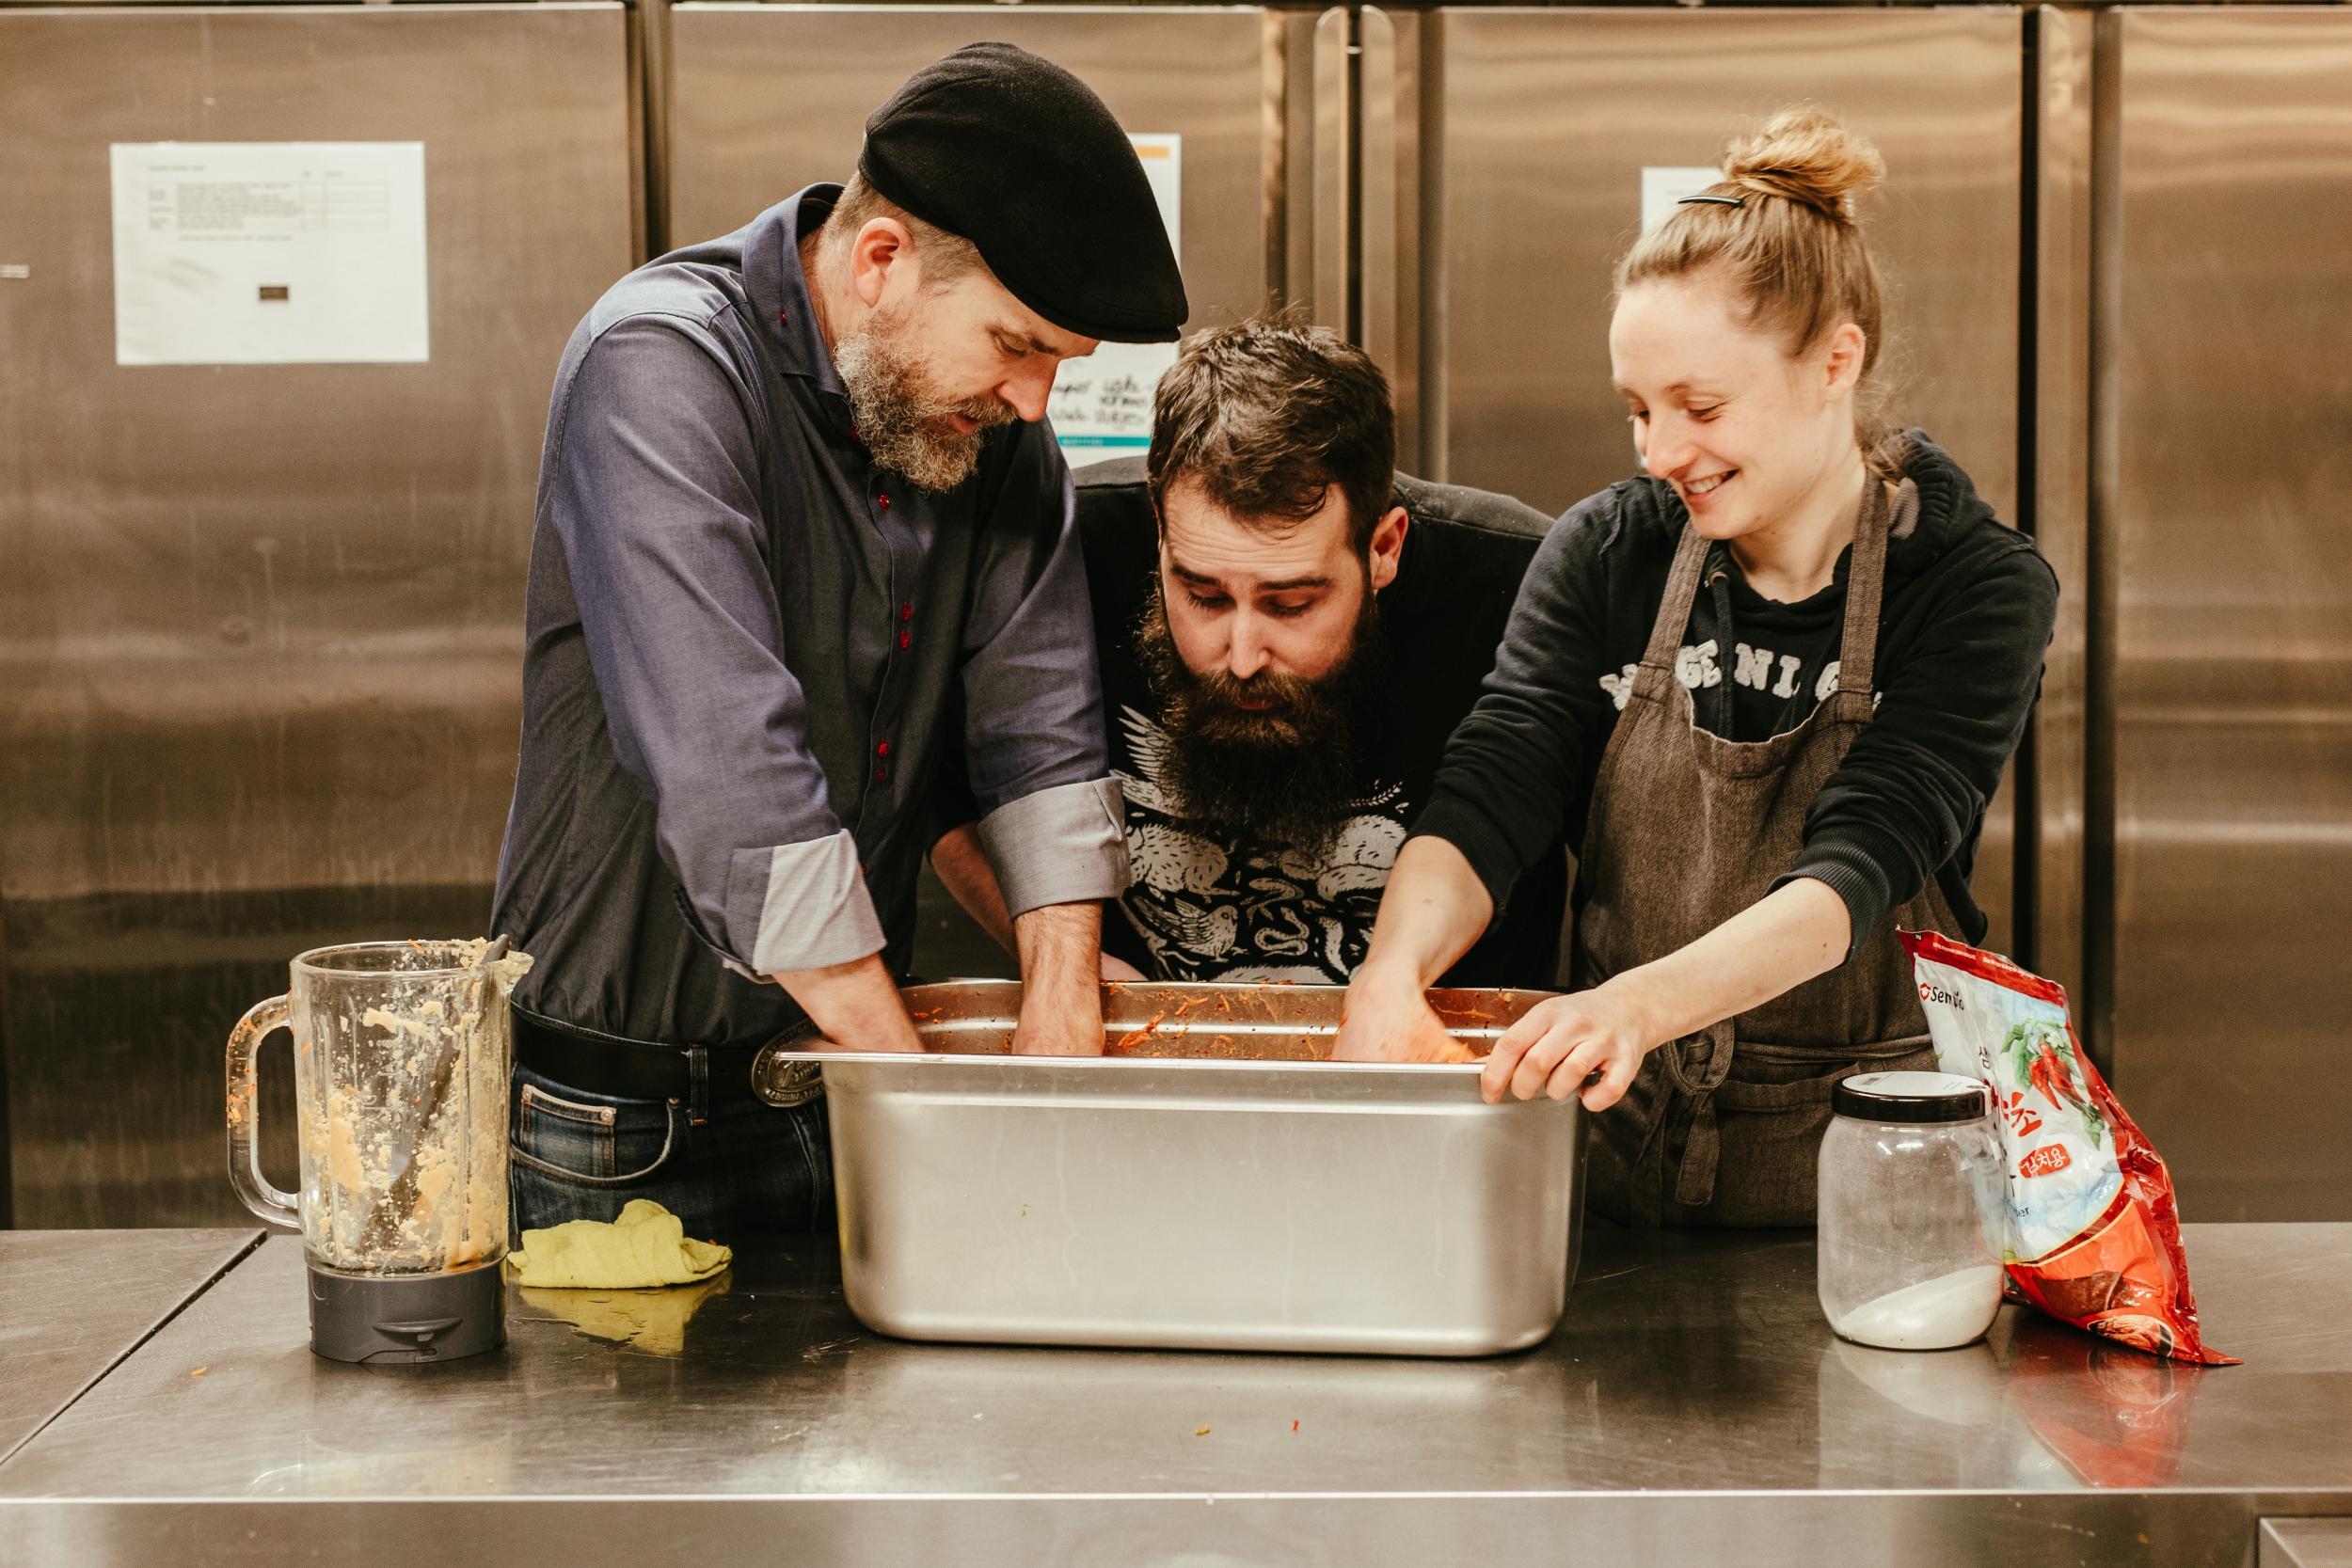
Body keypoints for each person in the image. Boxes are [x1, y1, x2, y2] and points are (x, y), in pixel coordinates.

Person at [489, 44, 1187, 1240]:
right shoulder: (661, 368)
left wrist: (1059, 1024)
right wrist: (933, 1123)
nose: (1035, 403)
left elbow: (1039, 729)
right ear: (881, 262)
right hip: (613, 1126)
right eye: (1018, 343)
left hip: (846, 1084)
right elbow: (736, 791)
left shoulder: (989, 429)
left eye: (1058, 367)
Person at [1333, 108, 2059, 1228]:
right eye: (1637, 409)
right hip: (1607, 1171)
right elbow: (1496, 784)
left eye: (1701, 408)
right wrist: (1391, 974)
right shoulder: (1610, 551)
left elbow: (1854, 870)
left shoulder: (1968, 583)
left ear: (1835, 360)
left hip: (1868, 1187)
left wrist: (1632, 1005)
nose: (1659, 452)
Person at [928, 319, 1565, 985]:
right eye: (1203, 595)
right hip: (1141, 1059)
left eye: (1291, 604)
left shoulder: (1521, 587)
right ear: (1160, 532)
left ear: (1384, 549)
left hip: (1442, 1066)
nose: (1240, 656)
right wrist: (1070, 965)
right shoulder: (1056, 554)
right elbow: (942, 793)